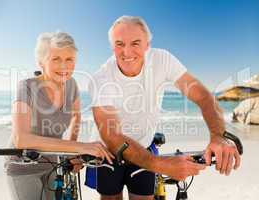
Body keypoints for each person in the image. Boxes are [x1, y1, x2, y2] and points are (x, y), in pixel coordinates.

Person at [88, 16, 241, 200]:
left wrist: (218, 137)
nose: (127, 52)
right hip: (109, 151)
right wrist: (162, 165)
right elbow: (113, 137)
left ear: (147, 45)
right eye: (119, 44)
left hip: (143, 146)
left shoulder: (162, 59)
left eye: (135, 43)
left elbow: (203, 96)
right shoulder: (101, 78)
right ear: (113, 47)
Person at [4, 31, 114, 200]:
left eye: (69, 59)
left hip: (53, 166)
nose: (64, 66)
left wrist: (71, 152)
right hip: (22, 168)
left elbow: (77, 116)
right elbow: (21, 139)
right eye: (56, 59)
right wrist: (81, 147)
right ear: (41, 62)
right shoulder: (26, 87)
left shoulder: (72, 85)